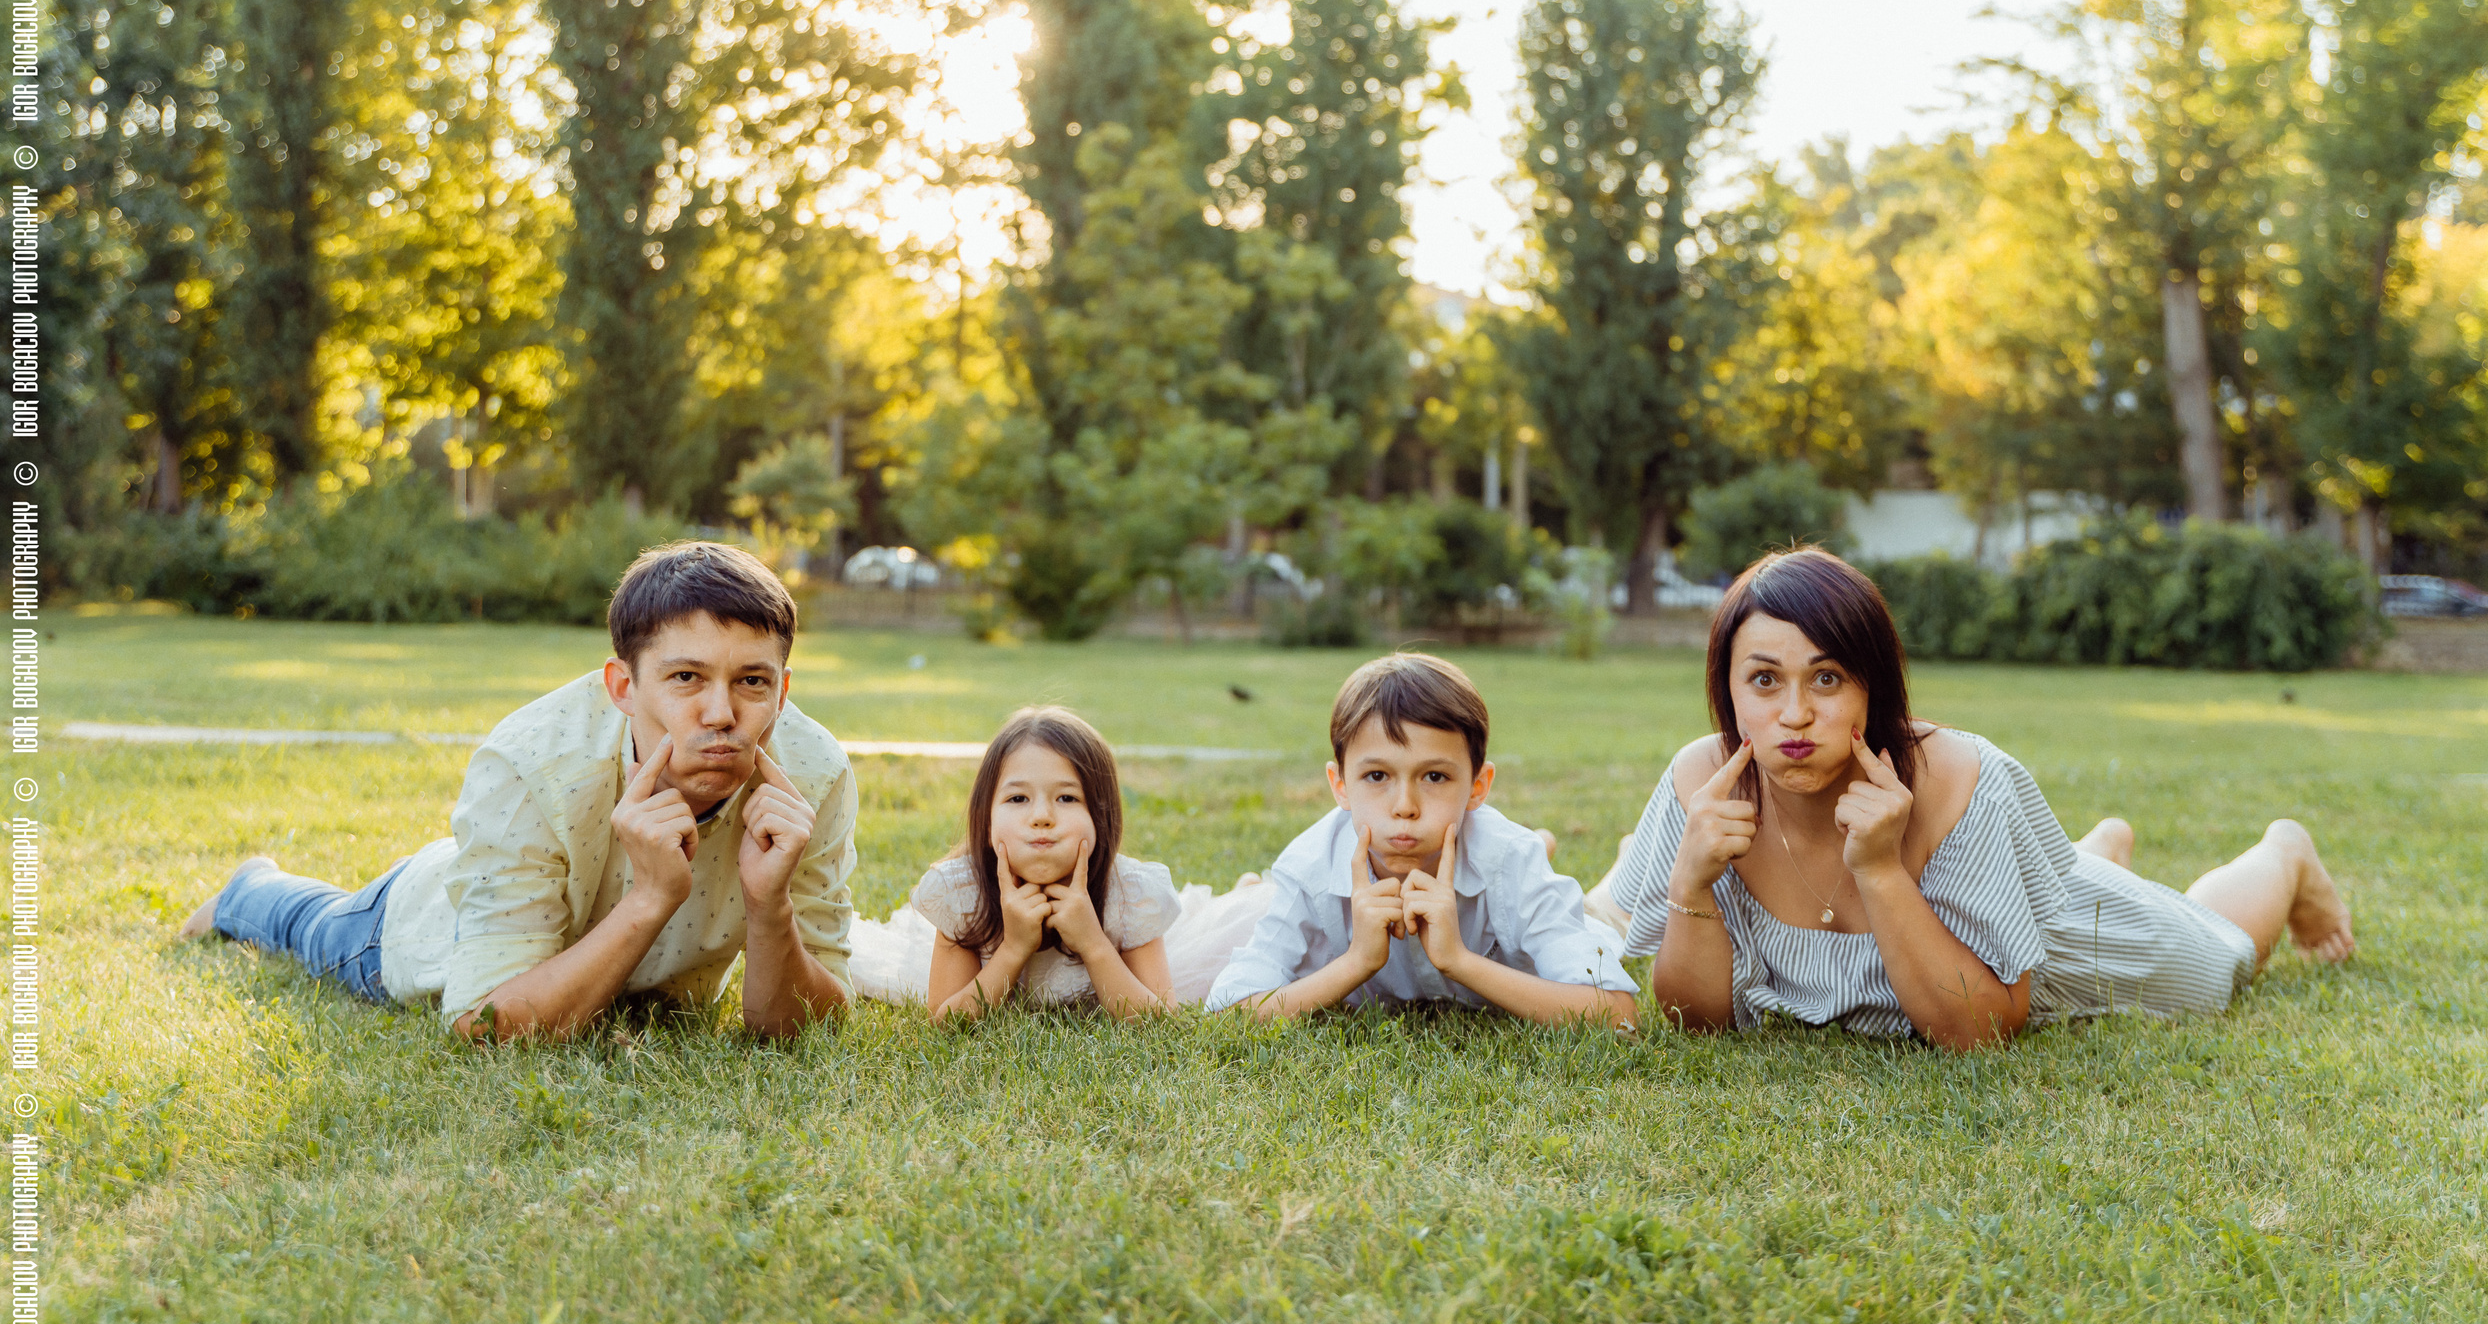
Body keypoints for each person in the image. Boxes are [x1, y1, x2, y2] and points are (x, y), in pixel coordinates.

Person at [1595, 547, 2357, 1050]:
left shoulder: (1958, 777)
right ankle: (2094, 851)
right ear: (1727, 690)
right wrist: (1691, 883)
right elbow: (1695, 1024)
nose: (1794, 713)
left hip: (2062, 949)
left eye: (1826, 678)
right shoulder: (1701, 780)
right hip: (1987, 904)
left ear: (1873, 685)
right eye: (1764, 679)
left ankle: (2283, 855)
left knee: (2220, 955)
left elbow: (1977, 1031)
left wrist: (1884, 871)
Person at [179, 541, 858, 1040]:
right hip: (434, 922)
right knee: (318, 929)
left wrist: (770, 909)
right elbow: (484, 1024)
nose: (720, 712)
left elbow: (805, 1030)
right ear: (623, 686)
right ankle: (250, 888)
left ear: (784, 688)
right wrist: (651, 895)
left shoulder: (815, 773)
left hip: (613, 968)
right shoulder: (531, 761)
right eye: (686, 678)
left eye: (752, 681)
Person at [1206, 653, 1638, 1026]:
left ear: (1477, 786)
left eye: (1434, 776)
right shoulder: (1309, 868)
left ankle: (1605, 861)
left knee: (1602, 915)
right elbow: (1227, 1014)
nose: (1405, 806)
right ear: (1339, 785)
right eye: (1377, 776)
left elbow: (1616, 1014)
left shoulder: (1510, 860)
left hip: (1516, 873)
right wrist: (1356, 962)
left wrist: (1458, 960)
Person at [838, 707, 1275, 1012]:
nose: (1042, 817)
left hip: (1116, 943)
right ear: (986, 818)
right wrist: (1013, 950)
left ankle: (1243, 890)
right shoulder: (963, 893)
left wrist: (1093, 943)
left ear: (1100, 816)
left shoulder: (1130, 894)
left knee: (1215, 931)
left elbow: (1157, 1020)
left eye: (1067, 797)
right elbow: (946, 1020)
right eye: (1017, 798)